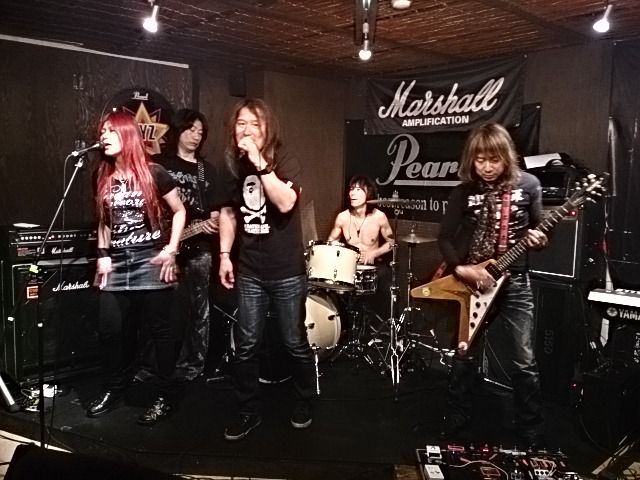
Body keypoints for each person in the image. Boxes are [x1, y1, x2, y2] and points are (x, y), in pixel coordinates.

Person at [437, 123, 548, 447]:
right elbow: (444, 238)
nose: (486, 167)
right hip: (473, 284)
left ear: (507, 157)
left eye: (494, 160)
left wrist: (541, 240)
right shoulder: (463, 192)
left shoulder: (529, 185)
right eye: (480, 159)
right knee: (464, 354)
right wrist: (462, 269)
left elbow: (542, 232)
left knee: (523, 358)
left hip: (515, 283)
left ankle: (530, 431)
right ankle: (457, 421)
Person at [217, 98, 316, 442]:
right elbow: (229, 213)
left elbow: (286, 203)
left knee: (294, 341)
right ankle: (248, 411)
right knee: (246, 344)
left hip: (286, 270)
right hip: (250, 271)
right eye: (241, 123)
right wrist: (225, 255)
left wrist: (259, 162)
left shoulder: (285, 160)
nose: (246, 130)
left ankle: (305, 401)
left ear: (268, 129)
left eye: (254, 124)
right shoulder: (231, 164)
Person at [87, 111, 186, 426]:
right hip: (117, 261)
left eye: (110, 131)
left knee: (159, 331)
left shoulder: (155, 173)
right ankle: (115, 388)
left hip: (150, 258)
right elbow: (103, 221)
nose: (103, 136)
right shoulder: (101, 174)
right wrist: (102, 253)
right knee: (109, 329)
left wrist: (172, 249)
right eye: (102, 131)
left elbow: (179, 211)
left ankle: (166, 394)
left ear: (127, 135)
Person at [157, 109, 219, 382]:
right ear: (178, 130)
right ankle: (155, 365)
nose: (196, 136)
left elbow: (215, 211)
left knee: (198, 309)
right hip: (162, 245)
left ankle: (192, 366)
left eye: (201, 132)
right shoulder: (160, 164)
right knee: (161, 310)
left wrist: (212, 223)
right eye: (191, 130)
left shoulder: (207, 170)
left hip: (198, 247)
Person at [327, 175, 394, 266]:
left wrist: (374, 253)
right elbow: (330, 244)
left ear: (368, 193)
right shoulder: (342, 217)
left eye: (358, 189)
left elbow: (391, 243)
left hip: (372, 267)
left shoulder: (379, 216)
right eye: (351, 189)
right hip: (349, 266)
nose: (353, 193)